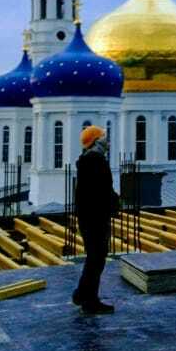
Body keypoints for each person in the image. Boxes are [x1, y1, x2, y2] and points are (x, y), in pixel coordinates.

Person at [72, 125, 118, 315]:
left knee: (94, 257)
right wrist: (114, 202)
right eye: (104, 138)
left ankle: (82, 294)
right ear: (97, 141)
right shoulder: (96, 161)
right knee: (97, 258)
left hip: (89, 216)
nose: (108, 142)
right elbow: (100, 191)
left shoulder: (87, 160)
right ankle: (90, 301)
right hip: (95, 217)